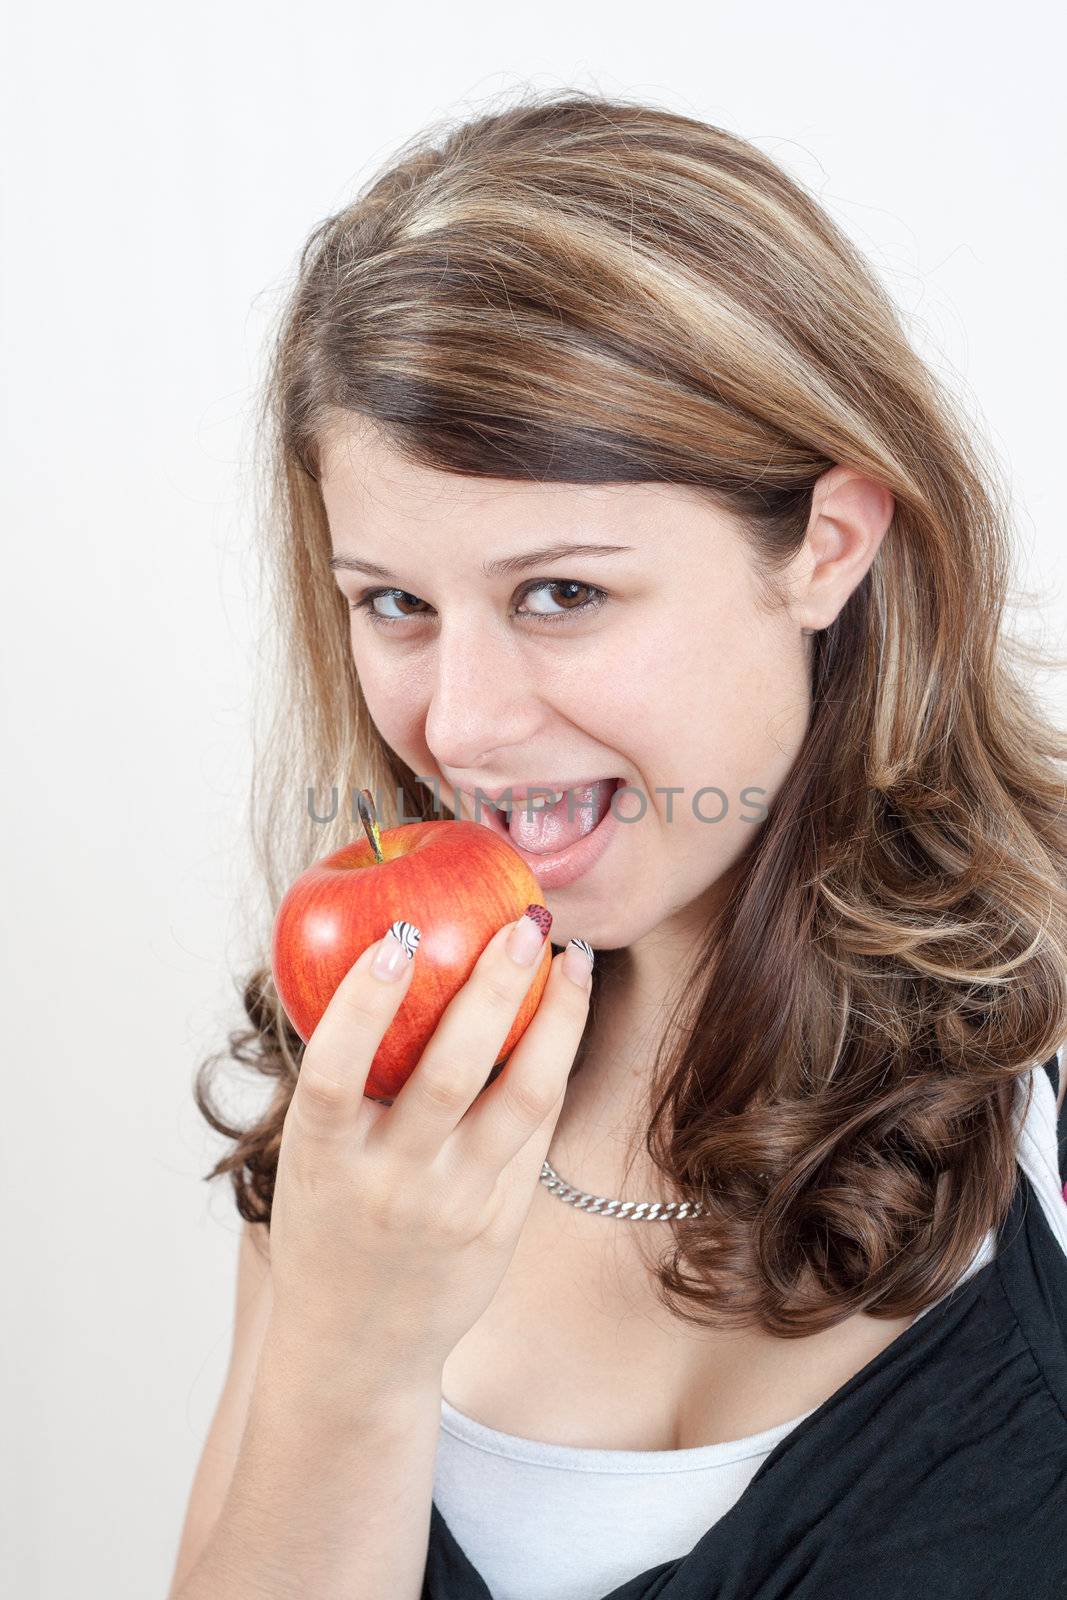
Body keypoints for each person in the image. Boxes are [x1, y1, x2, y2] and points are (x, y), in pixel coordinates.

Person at [167, 89, 1067, 1600]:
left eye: (561, 595)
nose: (460, 725)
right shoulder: (367, 1067)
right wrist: (350, 1354)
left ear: (827, 546)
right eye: (394, 601)